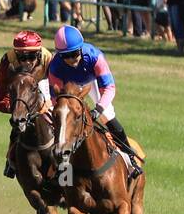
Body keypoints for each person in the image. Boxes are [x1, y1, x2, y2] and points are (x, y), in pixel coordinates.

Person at [47, 25, 136, 158]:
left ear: (81, 48)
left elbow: (109, 88)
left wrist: (98, 109)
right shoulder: (55, 66)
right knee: (60, 118)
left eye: (75, 53)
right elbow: (54, 97)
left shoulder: (95, 56)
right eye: (66, 56)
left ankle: (130, 157)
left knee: (107, 115)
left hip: (90, 83)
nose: (72, 59)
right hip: (68, 89)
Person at [0, 31, 52, 177]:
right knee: (18, 122)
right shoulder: (8, 61)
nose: (27, 62)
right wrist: (19, 108)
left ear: (38, 54)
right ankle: (11, 159)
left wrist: (50, 102)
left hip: (46, 91)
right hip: (22, 100)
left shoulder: (48, 59)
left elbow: (59, 86)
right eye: (22, 57)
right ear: (16, 54)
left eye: (31, 56)